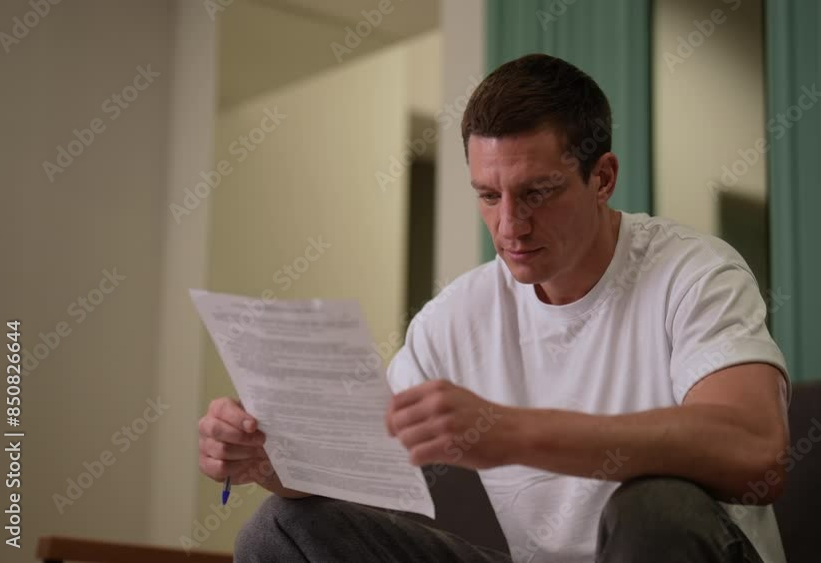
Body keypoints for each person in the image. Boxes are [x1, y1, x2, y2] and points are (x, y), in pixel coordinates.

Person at [198, 53, 791, 563]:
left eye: (537, 192)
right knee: (281, 529)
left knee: (656, 503)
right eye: (488, 195)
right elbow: (364, 465)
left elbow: (756, 450)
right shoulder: (458, 315)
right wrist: (270, 461)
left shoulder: (694, 273)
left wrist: (509, 432)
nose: (510, 225)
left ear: (603, 177)